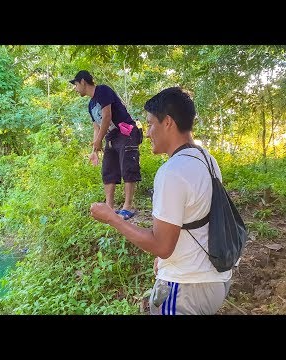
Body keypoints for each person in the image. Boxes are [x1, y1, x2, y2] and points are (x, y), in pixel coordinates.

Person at [89, 87, 231, 315]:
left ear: (168, 123)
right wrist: (162, 255)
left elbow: (162, 246)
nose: (146, 133)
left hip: (185, 288)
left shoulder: (172, 171)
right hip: (215, 280)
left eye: (151, 123)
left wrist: (112, 218)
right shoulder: (207, 159)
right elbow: (195, 217)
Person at [70, 70, 142, 220]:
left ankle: (127, 207)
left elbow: (107, 116)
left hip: (126, 131)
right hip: (111, 136)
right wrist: (94, 150)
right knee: (108, 169)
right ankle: (109, 207)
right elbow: (96, 127)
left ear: (83, 81)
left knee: (128, 166)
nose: (75, 88)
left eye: (76, 84)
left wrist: (99, 140)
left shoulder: (102, 90)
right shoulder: (91, 105)